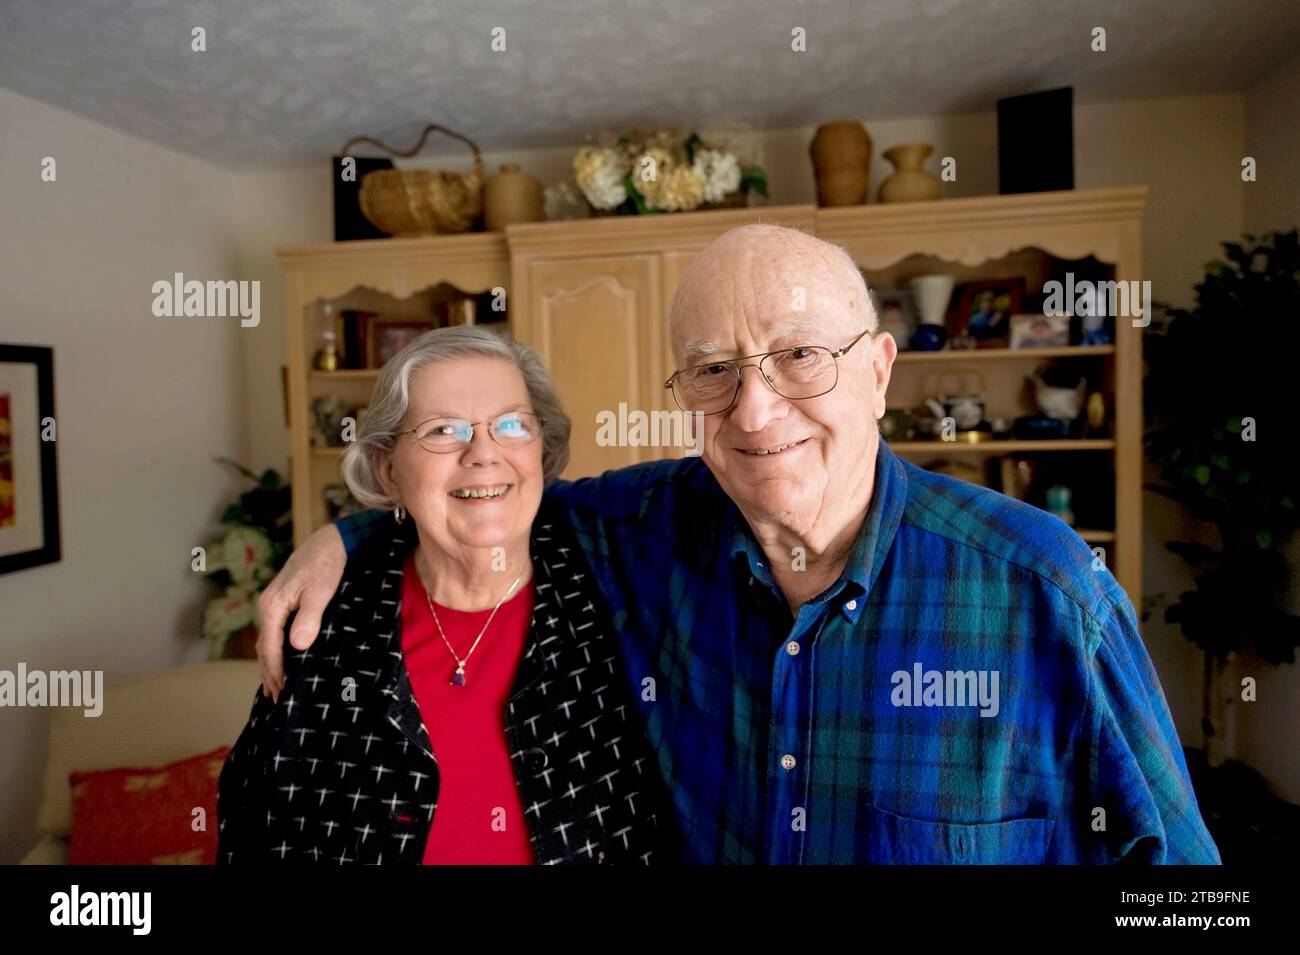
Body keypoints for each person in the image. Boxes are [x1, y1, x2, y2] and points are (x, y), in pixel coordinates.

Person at [257, 224, 1220, 865]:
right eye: (714, 370)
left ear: (877, 370)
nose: (756, 408)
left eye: (800, 355)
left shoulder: (1044, 589)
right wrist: (345, 536)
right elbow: (483, 497)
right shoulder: (646, 530)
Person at [219, 327, 677, 864]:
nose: (484, 453)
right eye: (443, 430)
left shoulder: (616, 590)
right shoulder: (325, 624)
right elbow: (253, 824)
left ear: (541, 449)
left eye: (511, 425)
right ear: (388, 470)